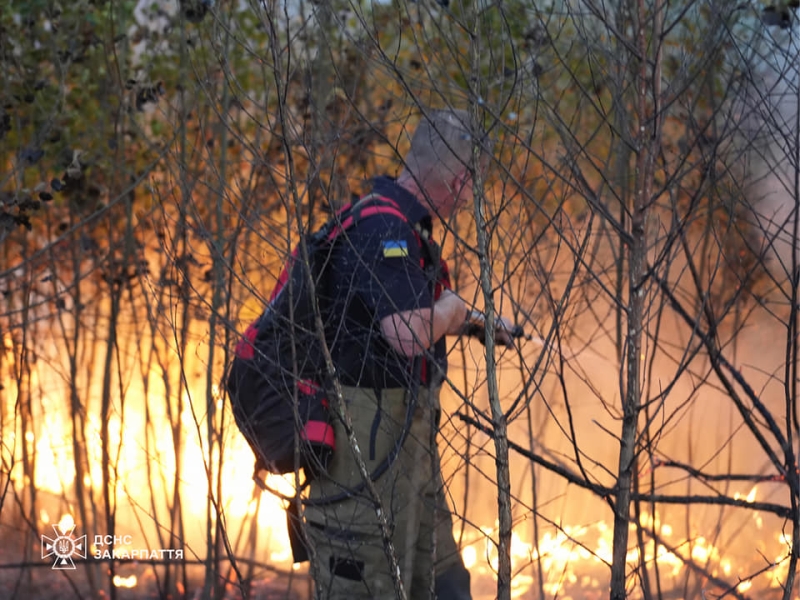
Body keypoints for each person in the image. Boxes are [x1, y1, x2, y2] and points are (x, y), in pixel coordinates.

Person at [300, 108, 515, 599]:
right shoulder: (384, 230)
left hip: (407, 456)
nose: (468, 197)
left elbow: (400, 313)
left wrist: (480, 325)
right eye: (470, 184)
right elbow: (407, 333)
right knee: (370, 589)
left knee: (444, 585)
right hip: (365, 462)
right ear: (459, 179)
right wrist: (456, 310)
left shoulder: (400, 227)